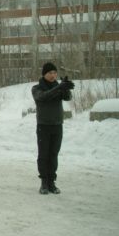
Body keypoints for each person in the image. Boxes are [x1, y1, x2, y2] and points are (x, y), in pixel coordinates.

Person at [32, 62, 74, 195]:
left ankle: (52, 181)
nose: (53, 75)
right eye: (50, 73)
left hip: (57, 125)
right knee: (43, 154)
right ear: (44, 74)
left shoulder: (59, 87)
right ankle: (44, 182)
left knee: (54, 154)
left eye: (55, 73)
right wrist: (59, 87)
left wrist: (65, 87)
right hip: (43, 126)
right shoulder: (36, 88)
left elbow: (67, 97)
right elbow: (43, 97)